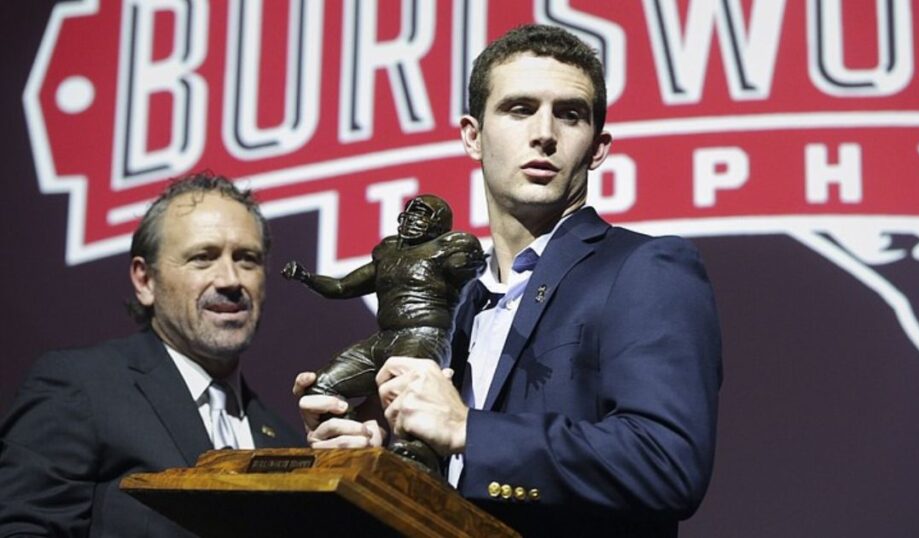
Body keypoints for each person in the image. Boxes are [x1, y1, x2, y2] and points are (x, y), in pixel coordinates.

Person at [297, 24, 722, 536]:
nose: (544, 133)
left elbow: (667, 463)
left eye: (569, 114)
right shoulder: (462, 300)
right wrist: (382, 456)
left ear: (598, 147)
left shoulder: (645, 269)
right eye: (519, 109)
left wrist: (466, 430)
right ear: (472, 136)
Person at [0, 173, 303, 537]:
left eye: (247, 259)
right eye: (202, 258)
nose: (230, 279)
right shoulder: (81, 387)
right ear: (145, 281)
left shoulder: (286, 441)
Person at [282, 194, 484, 471]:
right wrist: (306, 277)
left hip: (423, 335)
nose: (413, 218)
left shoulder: (450, 247)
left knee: (409, 386)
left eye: (422, 213)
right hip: (385, 339)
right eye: (410, 212)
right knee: (322, 386)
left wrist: (468, 261)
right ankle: (347, 448)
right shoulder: (389, 251)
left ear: (439, 222)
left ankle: (419, 459)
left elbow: (471, 265)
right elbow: (343, 287)